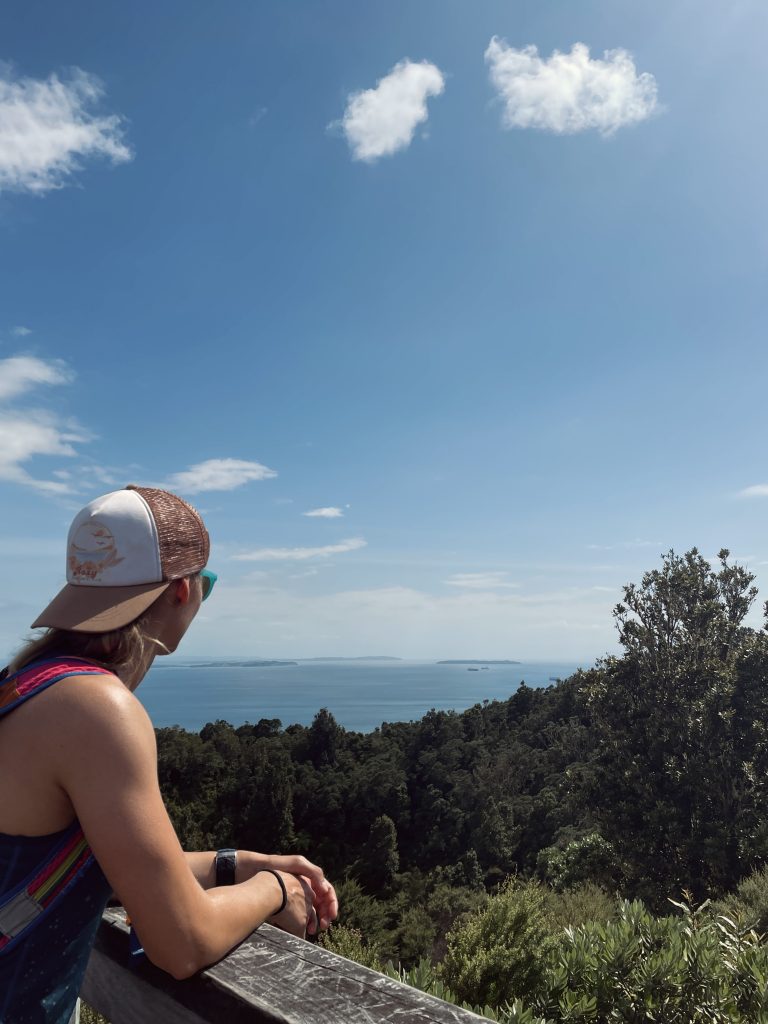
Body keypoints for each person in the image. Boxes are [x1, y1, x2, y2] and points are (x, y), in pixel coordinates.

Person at [0, 485, 338, 1023]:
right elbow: (181, 942)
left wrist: (238, 864)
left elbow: (96, 867)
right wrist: (275, 890)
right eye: (209, 582)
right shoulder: (98, 711)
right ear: (183, 590)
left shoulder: (21, 686)